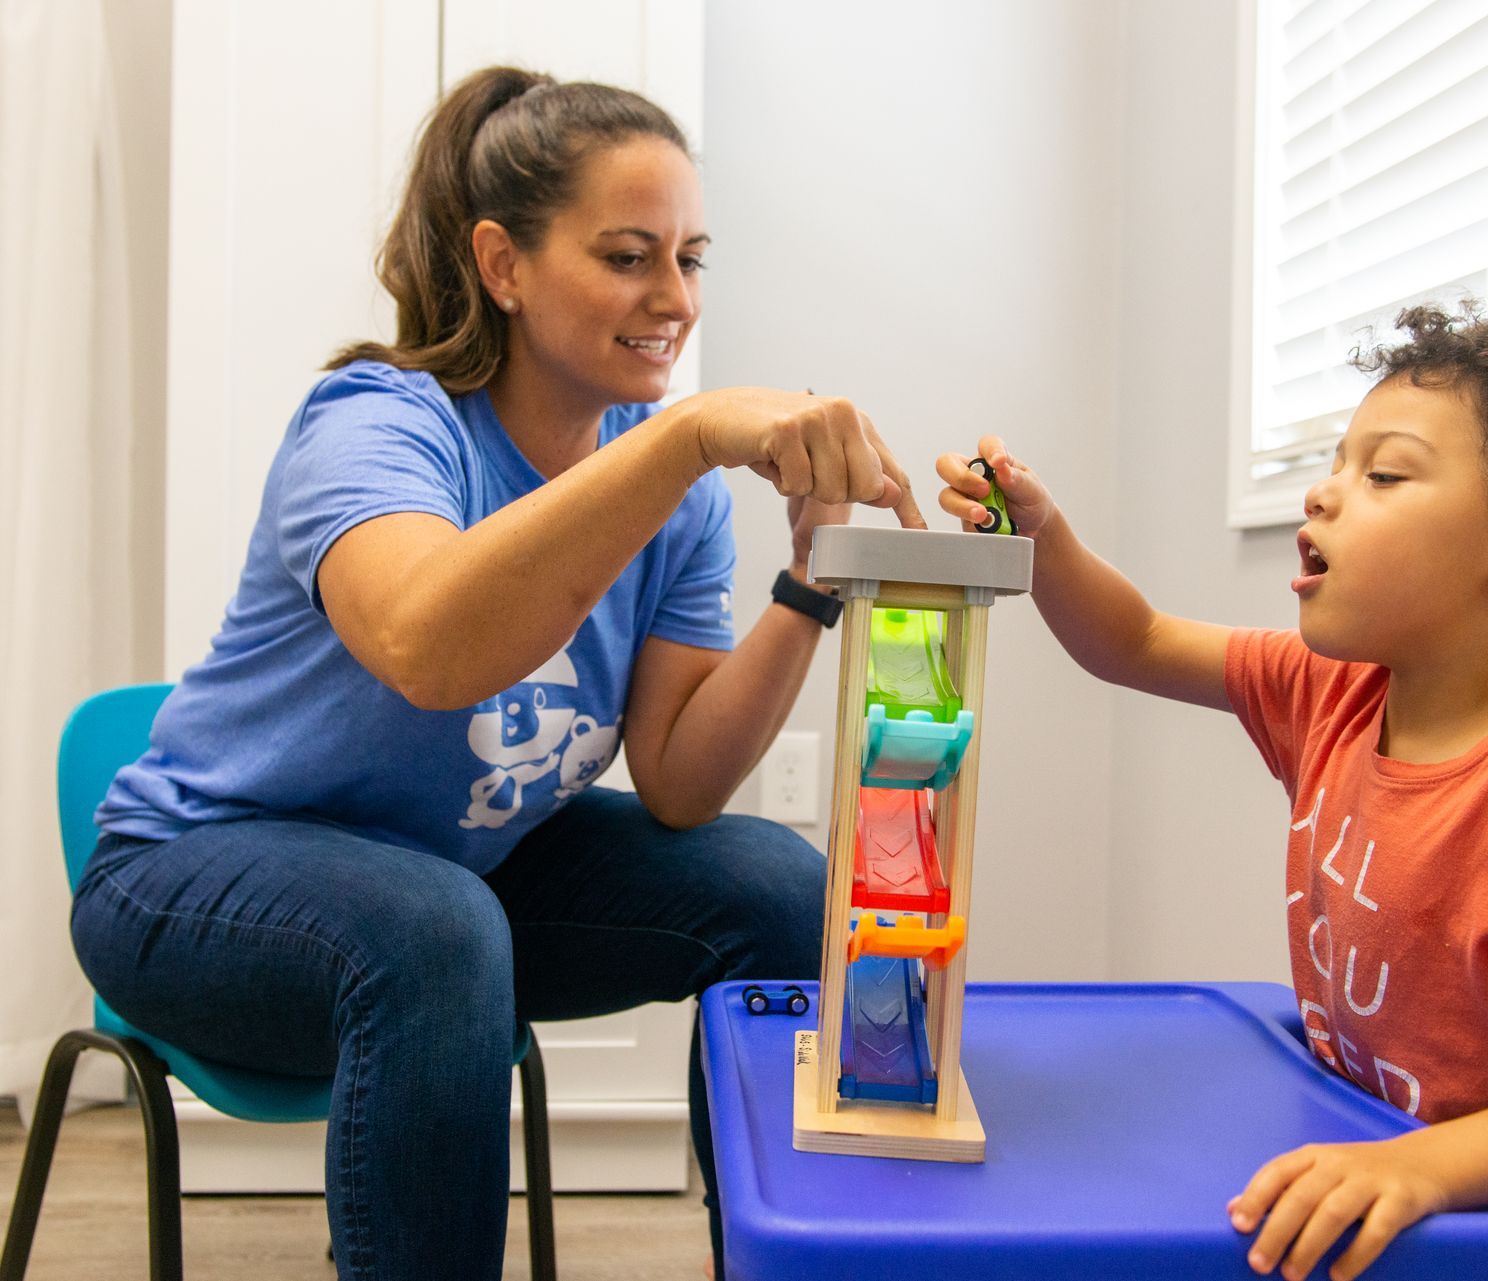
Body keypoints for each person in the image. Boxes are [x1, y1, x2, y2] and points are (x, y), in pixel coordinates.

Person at [72, 67, 917, 1280]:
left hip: (452, 881)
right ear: (503, 265)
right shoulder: (378, 423)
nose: (671, 298)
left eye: (690, 259)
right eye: (629, 255)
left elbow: (680, 784)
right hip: (189, 883)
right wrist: (687, 437)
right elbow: (430, 649)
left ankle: (790, 1256)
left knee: (778, 888)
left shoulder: (669, 501)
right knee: (434, 931)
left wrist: (812, 582)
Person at [936, 302, 1488, 1281]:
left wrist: (1426, 1166)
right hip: (1383, 1185)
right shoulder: (1336, 697)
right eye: (1337, 462)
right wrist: (1045, 538)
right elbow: (1131, 641)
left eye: (1383, 474)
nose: (1322, 494)